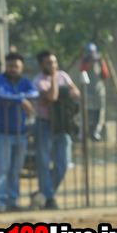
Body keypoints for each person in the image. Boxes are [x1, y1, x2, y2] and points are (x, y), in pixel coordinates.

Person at [0, 52, 38, 213]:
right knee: (2, 168)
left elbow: (35, 93)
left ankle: (13, 202)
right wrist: (21, 100)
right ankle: (0, 202)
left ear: (21, 67)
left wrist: (17, 97)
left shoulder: (25, 82)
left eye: (16, 66)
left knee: (16, 170)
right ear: (6, 66)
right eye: (10, 66)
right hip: (0, 132)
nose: (13, 69)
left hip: (20, 133)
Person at [33, 50, 79, 210]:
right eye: (48, 63)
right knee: (44, 164)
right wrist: (54, 79)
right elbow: (51, 97)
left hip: (62, 125)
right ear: (40, 65)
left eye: (54, 62)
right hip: (44, 125)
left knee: (63, 164)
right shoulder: (38, 81)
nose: (53, 66)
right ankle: (49, 199)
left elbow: (76, 92)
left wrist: (60, 92)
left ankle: (43, 193)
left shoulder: (64, 76)